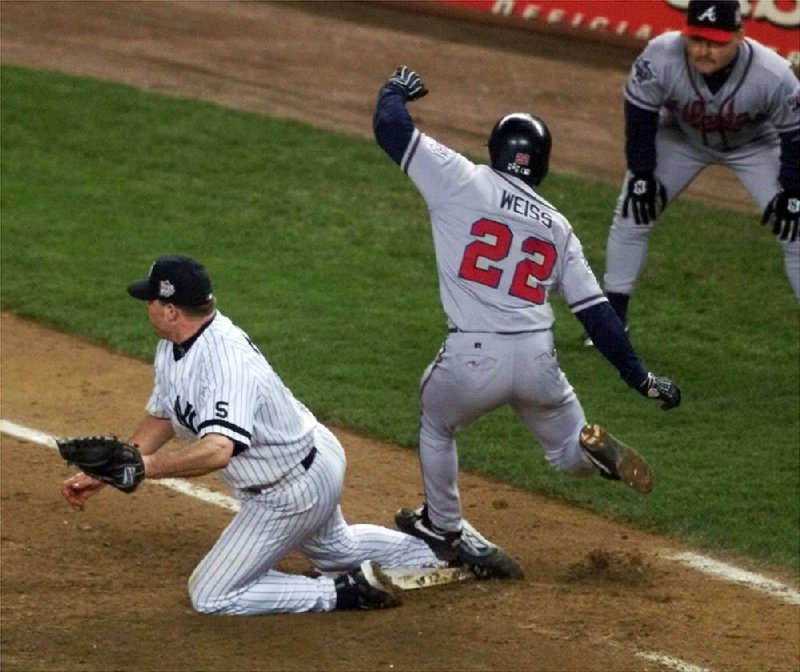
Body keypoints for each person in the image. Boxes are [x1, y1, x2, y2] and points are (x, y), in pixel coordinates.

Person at [373, 66, 682, 568]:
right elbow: (600, 316)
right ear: (542, 165)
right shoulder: (558, 228)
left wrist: (394, 91)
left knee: (436, 422)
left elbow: (391, 128)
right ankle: (593, 454)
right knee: (567, 456)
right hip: (538, 359)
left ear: (496, 149)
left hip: (472, 357)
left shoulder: (462, 178)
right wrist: (641, 378)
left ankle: (444, 525)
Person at [61, 253, 457, 614]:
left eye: (151, 301)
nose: (145, 306)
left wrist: (144, 467)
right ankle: (442, 549)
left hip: (290, 491)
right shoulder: (175, 345)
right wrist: (110, 469)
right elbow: (165, 416)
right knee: (338, 550)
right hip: (307, 462)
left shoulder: (224, 361)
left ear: (170, 310)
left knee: (212, 595)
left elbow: (218, 450)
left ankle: (341, 594)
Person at [599, 0, 800, 339]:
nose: (704, 51)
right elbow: (640, 115)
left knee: (797, 229)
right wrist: (643, 173)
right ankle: (611, 321)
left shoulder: (773, 74)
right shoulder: (660, 56)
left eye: (716, 42)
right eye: (697, 39)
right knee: (633, 209)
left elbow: (795, 133)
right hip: (681, 137)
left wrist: (793, 191)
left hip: (755, 144)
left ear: (739, 35)